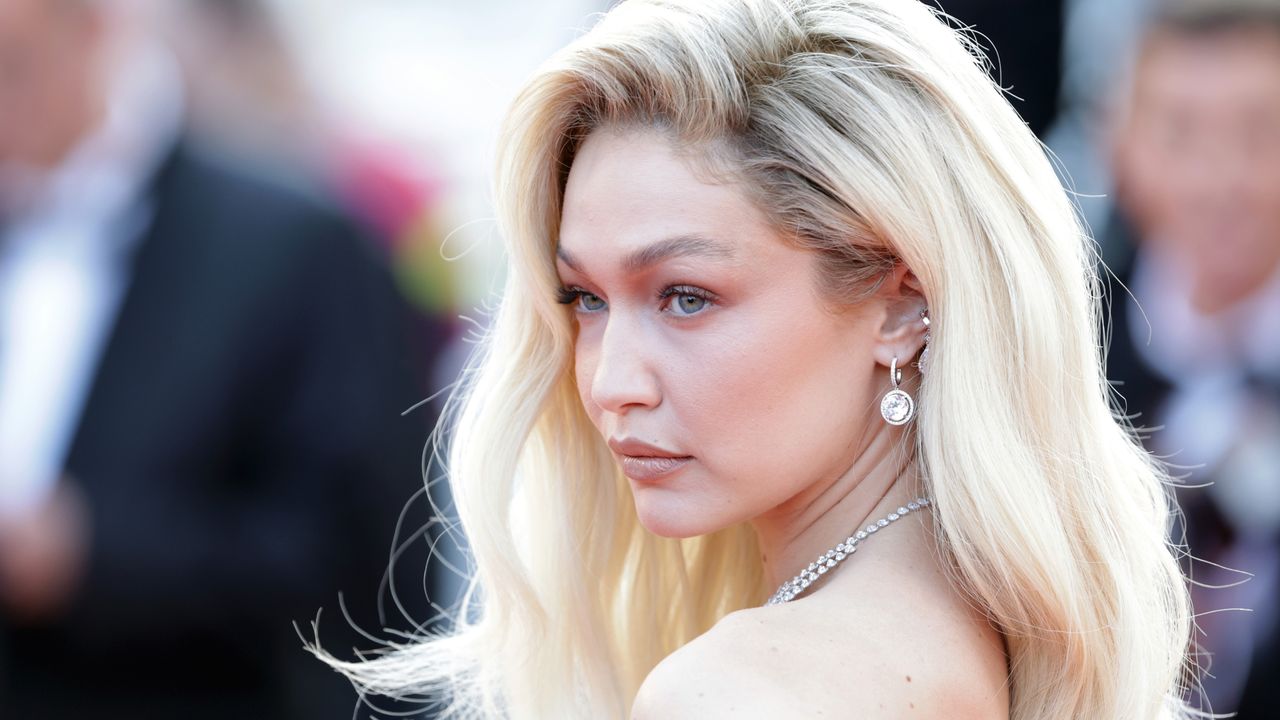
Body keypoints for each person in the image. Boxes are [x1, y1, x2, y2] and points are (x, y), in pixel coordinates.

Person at [316, 0, 1195, 717]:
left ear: (902, 303)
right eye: (585, 300)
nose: (611, 385)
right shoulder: (996, 642)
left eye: (686, 297)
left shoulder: (740, 691)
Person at [0, 1, 436, 717]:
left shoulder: (297, 246)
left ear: (94, 26)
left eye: (11, 68)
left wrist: (93, 555)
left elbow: (370, 571)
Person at [1106, 1, 1280, 716]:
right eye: (1180, 134)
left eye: (1260, 132)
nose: (1220, 183)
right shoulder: (1065, 345)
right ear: (1118, 145)